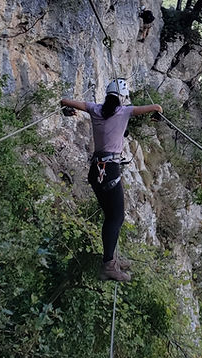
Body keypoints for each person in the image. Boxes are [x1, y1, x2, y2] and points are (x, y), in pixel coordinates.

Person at [61, 79, 162, 282]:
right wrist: (156, 114)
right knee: (115, 218)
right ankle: (108, 265)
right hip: (110, 170)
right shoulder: (125, 111)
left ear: (106, 95)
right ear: (122, 98)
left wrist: (66, 110)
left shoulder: (95, 109)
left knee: (110, 216)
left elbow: (65, 100)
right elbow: (157, 107)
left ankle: (112, 258)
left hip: (96, 170)